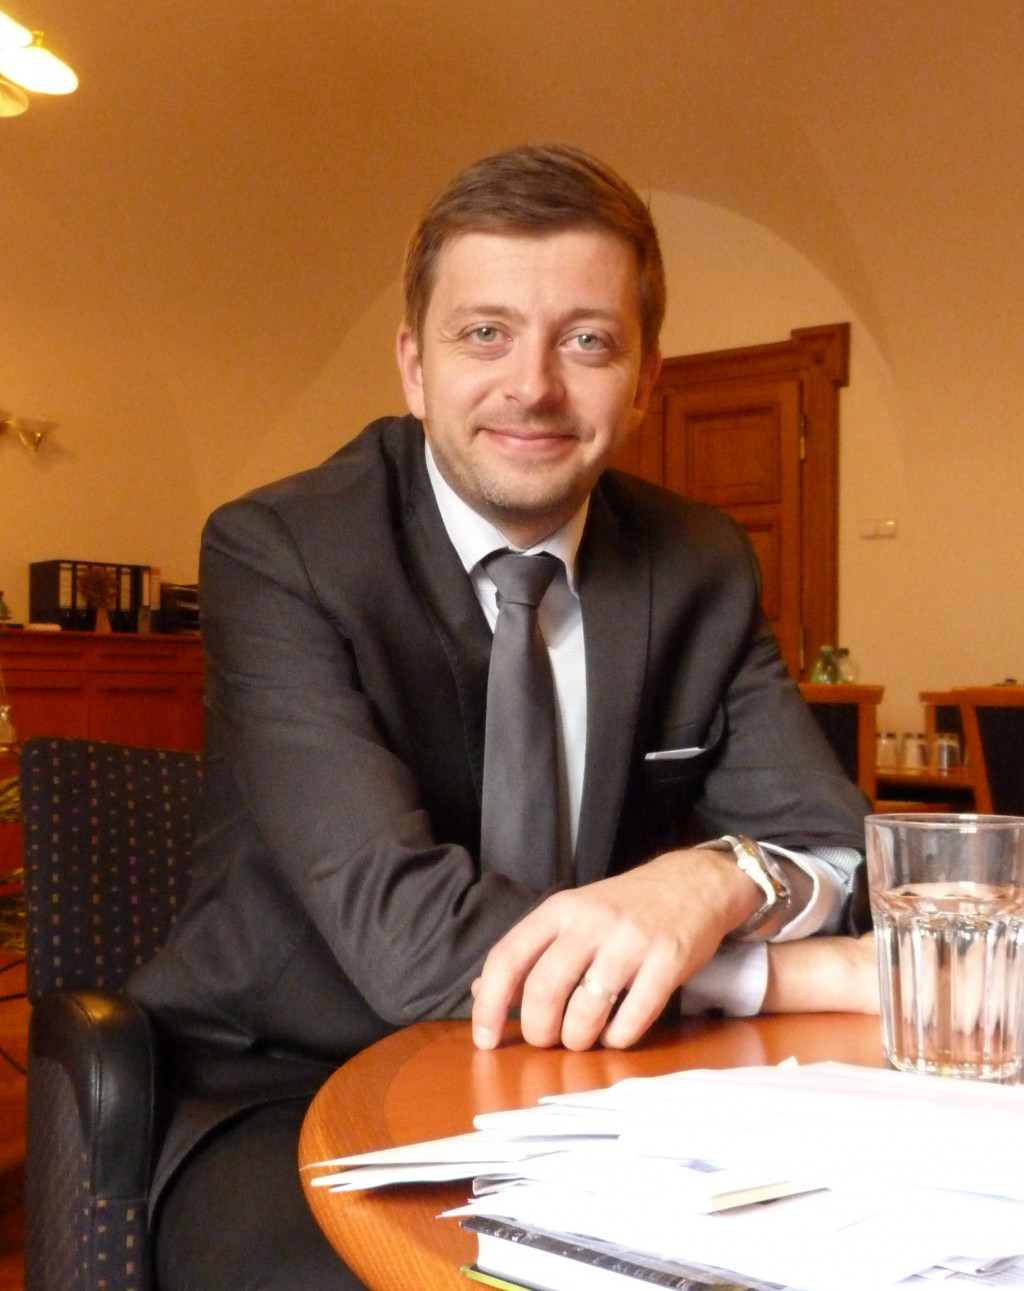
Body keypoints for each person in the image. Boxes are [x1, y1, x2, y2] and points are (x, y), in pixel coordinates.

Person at [130, 143, 877, 1290]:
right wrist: (780, 976)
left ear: (645, 378)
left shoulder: (697, 563)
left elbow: (833, 848)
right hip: (287, 1082)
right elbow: (408, 941)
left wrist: (707, 881)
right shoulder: (281, 551)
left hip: (608, 1084)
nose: (532, 386)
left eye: (586, 341)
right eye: (484, 333)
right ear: (413, 366)